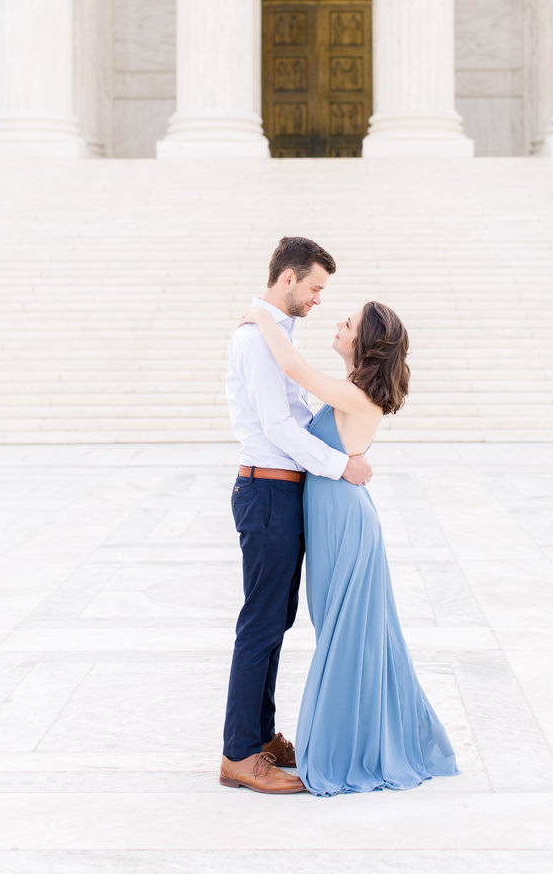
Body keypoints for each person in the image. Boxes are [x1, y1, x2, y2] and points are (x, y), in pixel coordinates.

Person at [238, 298, 459, 795]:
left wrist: (262, 317)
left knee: (343, 636)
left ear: (367, 343)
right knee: (341, 631)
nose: (338, 324)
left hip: (345, 526)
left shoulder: (356, 396)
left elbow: (291, 364)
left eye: (349, 323)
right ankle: (359, 738)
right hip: (336, 520)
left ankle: (346, 749)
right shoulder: (350, 393)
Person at [220, 236, 373, 795]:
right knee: (260, 623)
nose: (317, 299)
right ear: (288, 279)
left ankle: (259, 735)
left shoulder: (275, 336)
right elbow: (279, 429)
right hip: (266, 492)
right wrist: (341, 465)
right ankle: (239, 753)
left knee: (275, 619)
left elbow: (297, 410)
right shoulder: (257, 341)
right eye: (313, 287)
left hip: (281, 493)